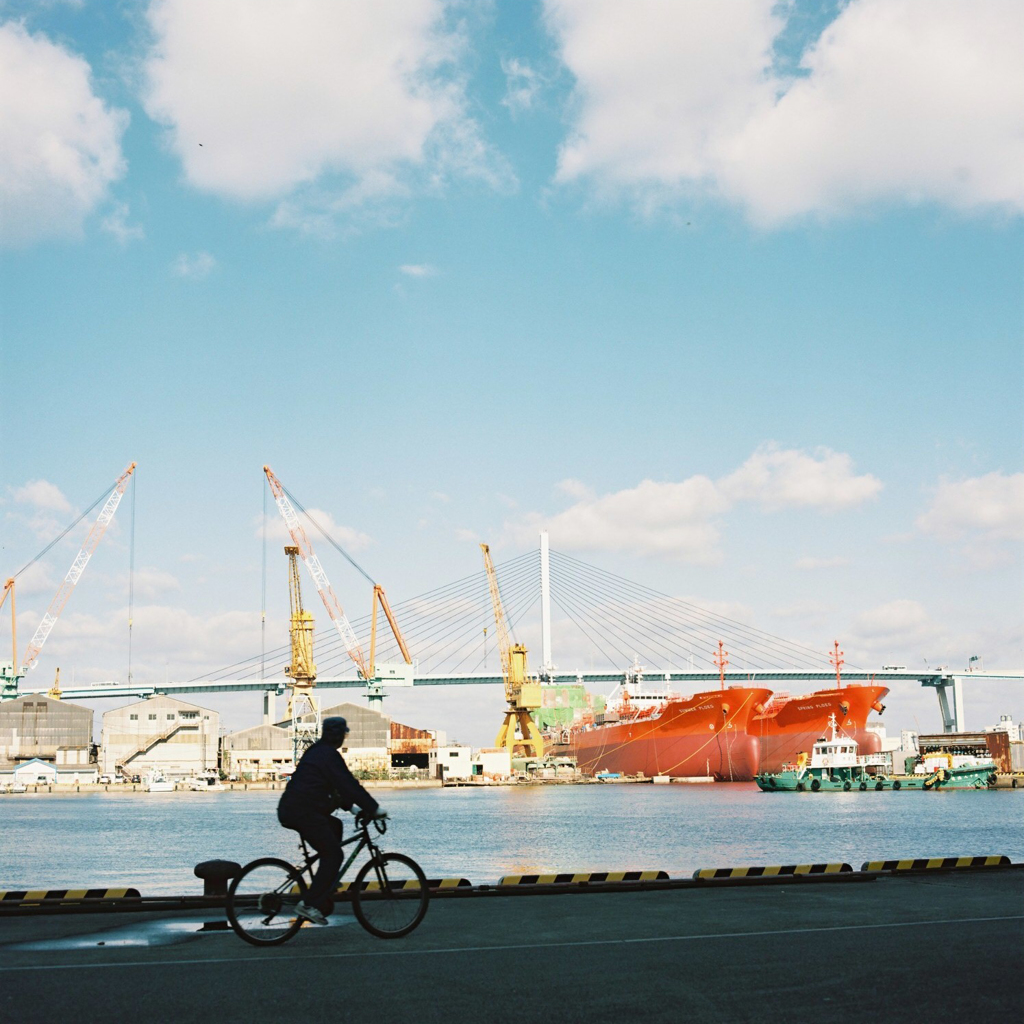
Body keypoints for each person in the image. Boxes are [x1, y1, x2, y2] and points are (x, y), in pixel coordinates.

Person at [277, 716, 385, 925]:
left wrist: (355, 809)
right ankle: (308, 903)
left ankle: (325, 882)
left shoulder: (318, 751)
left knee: (335, 826)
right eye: (344, 734)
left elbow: (335, 789)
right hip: (302, 812)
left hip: (296, 809)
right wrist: (374, 808)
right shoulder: (328, 755)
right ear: (338, 735)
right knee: (334, 854)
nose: (345, 737)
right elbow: (348, 785)